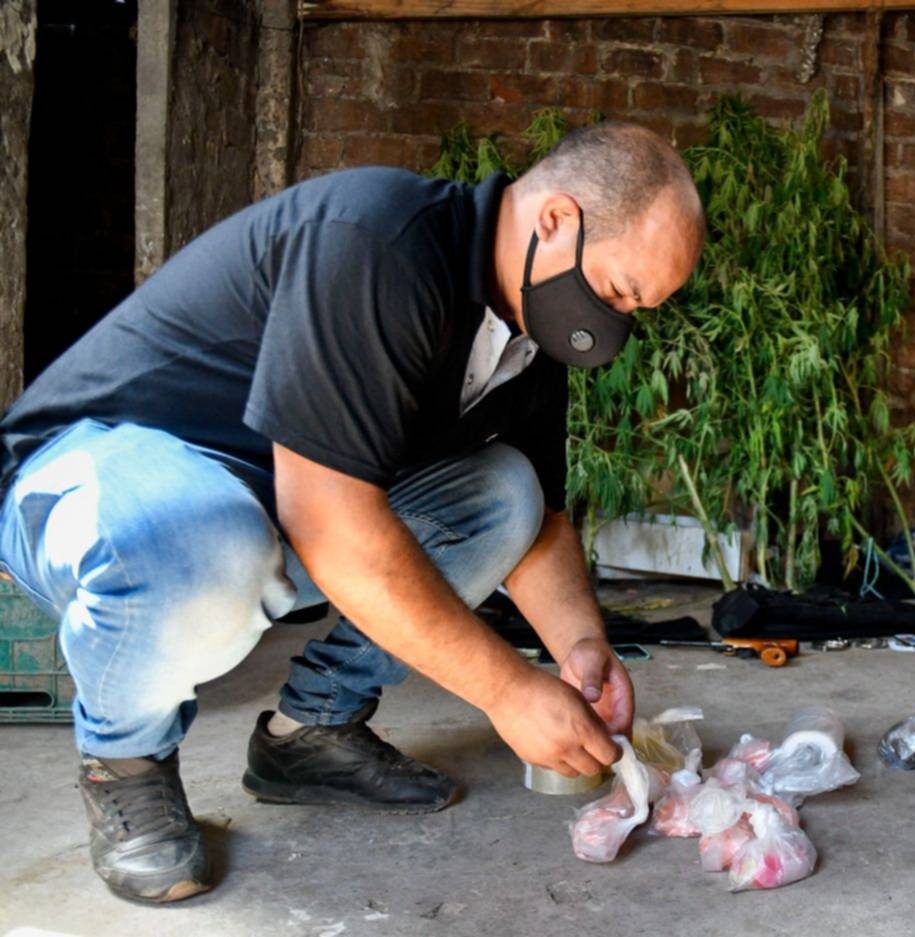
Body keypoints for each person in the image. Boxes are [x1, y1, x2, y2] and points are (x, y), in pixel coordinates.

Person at [0, 121, 704, 902]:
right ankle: (125, 762)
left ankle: (311, 733)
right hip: (102, 480)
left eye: (635, 309)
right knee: (204, 543)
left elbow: (534, 523)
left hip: (263, 512)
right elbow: (332, 523)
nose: (612, 325)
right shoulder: (379, 242)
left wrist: (580, 649)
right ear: (555, 221)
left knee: (506, 489)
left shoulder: (524, 334)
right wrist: (507, 690)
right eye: (615, 291)